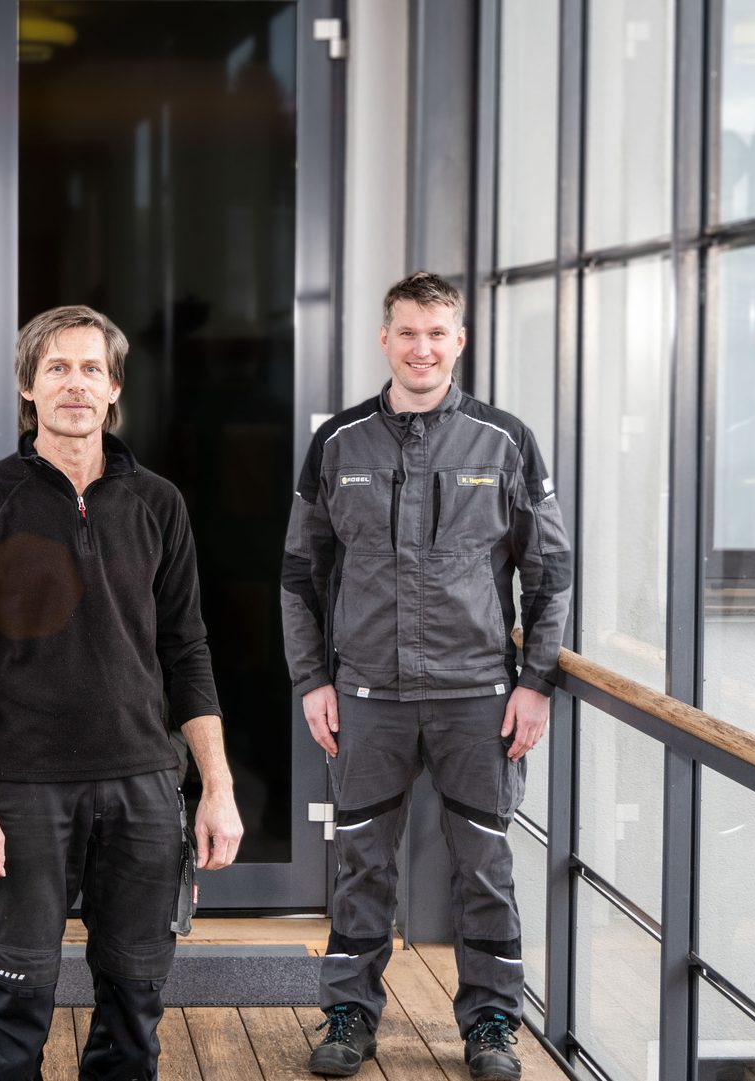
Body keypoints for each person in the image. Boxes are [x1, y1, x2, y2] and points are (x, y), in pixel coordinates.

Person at [0, 304, 245, 1081]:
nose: (76, 384)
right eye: (57, 368)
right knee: (16, 1003)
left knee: (135, 1007)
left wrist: (217, 786)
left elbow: (187, 650)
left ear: (114, 387)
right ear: (28, 386)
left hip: (143, 785)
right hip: (22, 788)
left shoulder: (158, 503)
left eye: (91, 368)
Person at [281, 273, 572, 1081]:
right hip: (367, 695)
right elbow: (301, 572)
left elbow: (550, 572)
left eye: (437, 333)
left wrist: (537, 682)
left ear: (459, 341)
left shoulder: (505, 440)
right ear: (385, 339)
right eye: (408, 332)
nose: (422, 348)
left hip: (478, 697)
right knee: (362, 862)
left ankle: (492, 1023)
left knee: (485, 868)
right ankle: (349, 1012)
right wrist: (312, 679)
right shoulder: (339, 443)